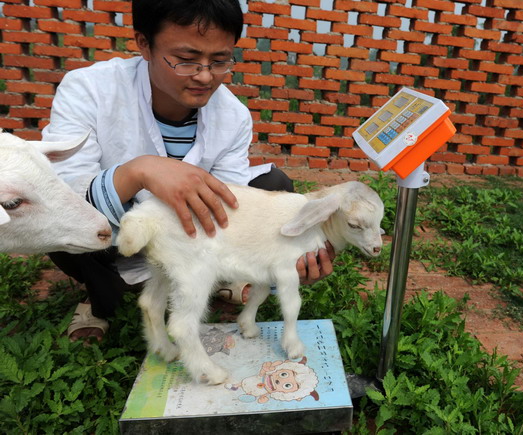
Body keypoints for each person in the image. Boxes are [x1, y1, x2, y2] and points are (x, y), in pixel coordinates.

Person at [42, 0, 335, 342]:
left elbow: (230, 210)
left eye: (220, 60)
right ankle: (100, 297)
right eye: (186, 59)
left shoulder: (233, 116)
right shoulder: (88, 90)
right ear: (143, 44)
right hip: (112, 238)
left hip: (187, 235)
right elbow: (63, 196)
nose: (205, 76)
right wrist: (139, 172)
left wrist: (280, 258)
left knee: (273, 186)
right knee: (44, 209)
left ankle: (215, 277)